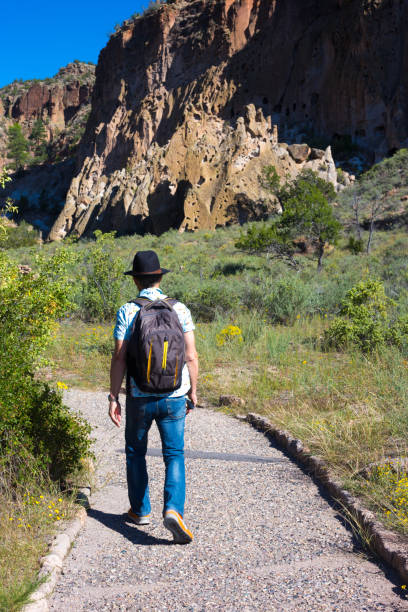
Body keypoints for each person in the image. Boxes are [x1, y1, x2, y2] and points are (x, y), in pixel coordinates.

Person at [108, 250, 198, 544]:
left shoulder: (128, 310)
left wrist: (113, 396)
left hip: (139, 395)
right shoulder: (180, 309)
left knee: (136, 452)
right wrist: (193, 391)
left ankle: (140, 511)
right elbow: (191, 356)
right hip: (175, 394)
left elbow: (119, 358)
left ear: (136, 280)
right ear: (160, 277)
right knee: (174, 454)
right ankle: (173, 510)